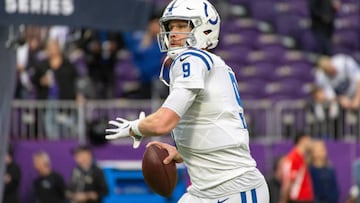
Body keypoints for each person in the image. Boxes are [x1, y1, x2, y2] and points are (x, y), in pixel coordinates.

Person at [105, 0, 270, 202]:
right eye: (171, 26)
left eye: (182, 26)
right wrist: (182, 152)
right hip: (203, 191)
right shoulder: (208, 64)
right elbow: (212, 126)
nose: (173, 33)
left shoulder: (193, 59)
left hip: (235, 188)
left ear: (205, 29)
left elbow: (163, 122)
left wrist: (135, 127)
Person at [280, 132, 314, 203]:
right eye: (309, 140)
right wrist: (283, 200)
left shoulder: (301, 158)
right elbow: (288, 182)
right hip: (298, 200)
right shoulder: (294, 158)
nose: (311, 143)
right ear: (303, 140)